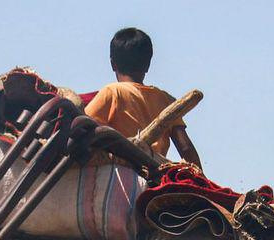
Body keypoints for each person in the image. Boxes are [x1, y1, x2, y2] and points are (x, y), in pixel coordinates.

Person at [85, 27, 201, 166]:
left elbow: (84, 127)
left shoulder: (111, 92)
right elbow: (185, 147)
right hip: (157, 171)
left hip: (123, 169)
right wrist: (202, 180)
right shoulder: (165, 99)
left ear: (112, 63)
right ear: (148, 65)